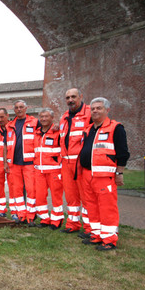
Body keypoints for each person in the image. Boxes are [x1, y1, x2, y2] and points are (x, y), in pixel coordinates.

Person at [79, 97, 129, 251]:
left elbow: (122, 152)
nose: (95, 111)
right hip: (87, 175)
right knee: (91, 207)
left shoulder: (116, 128)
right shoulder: (88, 130)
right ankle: (96, 235)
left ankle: (109, 239)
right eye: (93, 108)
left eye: (98, 108)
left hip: (104, 177)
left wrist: (119, 172)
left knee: (107, 208)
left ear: (107, 110)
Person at [59, 88, 93, 235]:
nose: (70, 100)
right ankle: (72, 224)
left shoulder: (90, 113)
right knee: (71, 196)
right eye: (67, 98)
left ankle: (90, 227)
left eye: (73, 97)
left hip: (81, 163)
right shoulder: (64, 117)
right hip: (66, 163)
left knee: (86, 196)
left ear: (81, 96)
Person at [4, 100, 40, 223]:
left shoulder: (35, 122)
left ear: (26, 108)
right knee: (17, 190)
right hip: (14, 163)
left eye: (21, 107)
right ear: (14, 110)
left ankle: (31, 216)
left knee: (31, 190)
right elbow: (5, 145)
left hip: (29, 163)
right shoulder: (9, 125)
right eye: (16, 108)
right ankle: (21, 215)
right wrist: (5, 162)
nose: (19, 109)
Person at [33, 108, 64, 228]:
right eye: (42, 117)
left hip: (54, 170)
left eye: (46, 116)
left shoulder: (58, 132)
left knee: (56, 196)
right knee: (40, 196)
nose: (44, 119)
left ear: (52, 118)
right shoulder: (36, 133)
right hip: (39, 170)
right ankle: (44, 219)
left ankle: (57, 220)